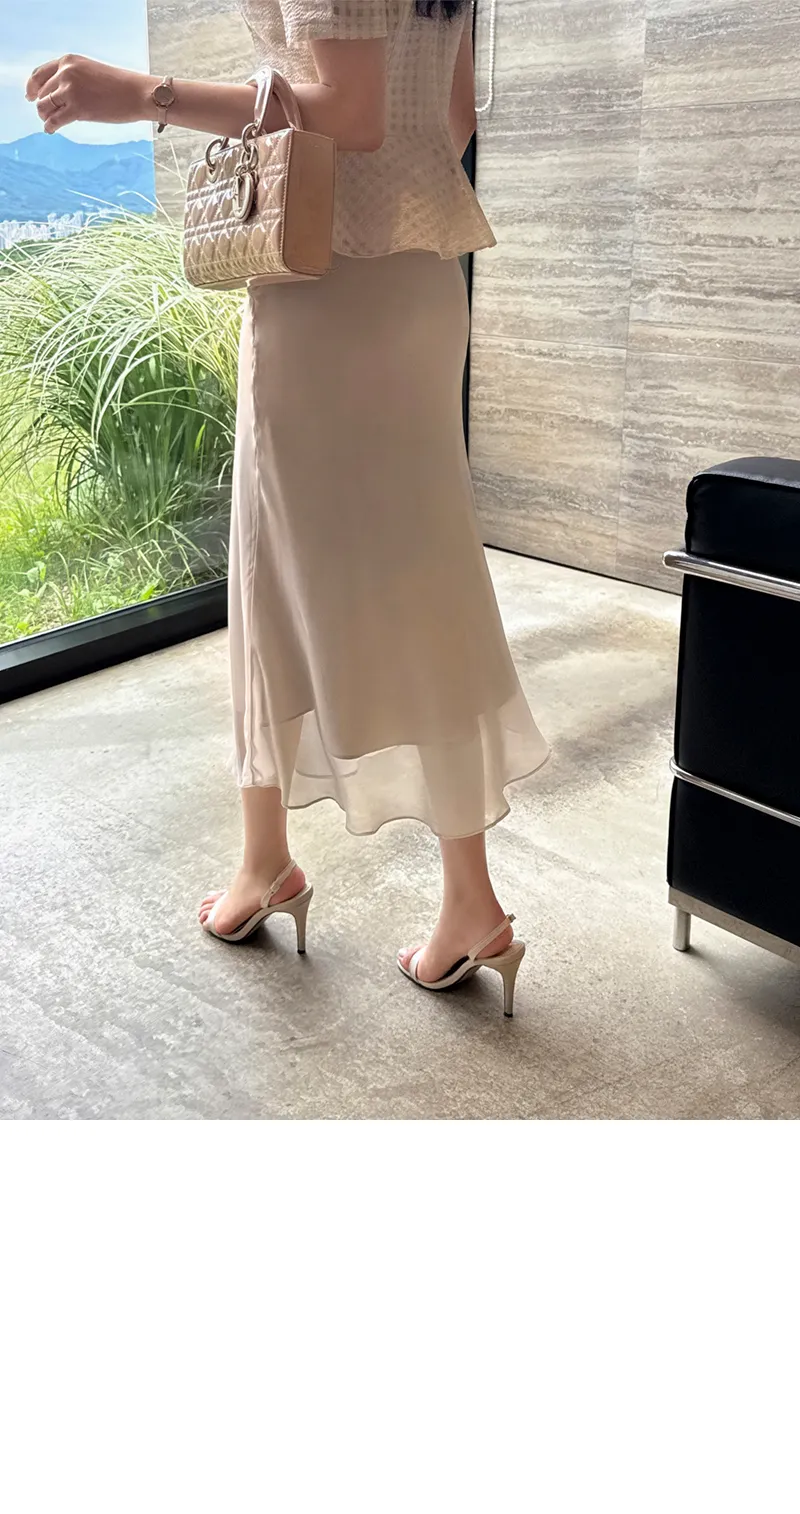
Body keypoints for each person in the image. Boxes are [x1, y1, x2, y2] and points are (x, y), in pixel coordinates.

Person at [26, 0, 548, 1017]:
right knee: (424, 575)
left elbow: (348, 113)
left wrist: (140, 94)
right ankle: (455, 897)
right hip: (419, 280)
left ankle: (272, 863)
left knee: (271, 566)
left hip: (325, 282)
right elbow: (447, 120)